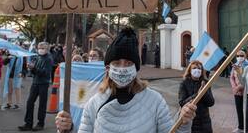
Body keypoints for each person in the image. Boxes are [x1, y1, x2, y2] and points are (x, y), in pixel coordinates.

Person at [55, 28, 197, 133]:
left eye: (128, 63)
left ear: (136, 68)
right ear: (107, 68)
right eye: (117, 63)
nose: (122, 68)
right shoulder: (93, 103)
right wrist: (68, 129)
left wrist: (183, 122)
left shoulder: (155, 101)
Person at [18, 42, 53, 131]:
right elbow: (35, 72)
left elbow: (45, 73)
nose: (40, 49)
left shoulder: (49, 59)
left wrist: (34, 68)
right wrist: (31, 68)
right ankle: (28, 123)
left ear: (47, 49)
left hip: (43, 84)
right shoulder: (37, 57)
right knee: (29, 102)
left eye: (43, 48)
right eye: (39, 47)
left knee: (42, 104)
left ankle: (40, 123)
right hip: (35, 83)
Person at [179, 60, 215, 133]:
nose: (197, 70)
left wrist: (204, 92)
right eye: (194, 68)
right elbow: (182, 102)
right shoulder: (184, 83)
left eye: (199, 68)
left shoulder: (205, 82)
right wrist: (197, 94)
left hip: (205, 121)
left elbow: (211, 102)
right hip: (192, 121)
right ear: (190, 70)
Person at [230, 50, 248, 133]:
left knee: (247, 110)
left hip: (246, 91)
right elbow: (231, 77)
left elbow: (247, 78)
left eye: (241, 55)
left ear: (245, 56)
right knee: (239, 109)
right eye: (237, 56)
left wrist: (240, 86)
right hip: (237, 92)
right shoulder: (235, 65)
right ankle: (240, 127)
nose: (239, 57)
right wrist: (234, 87)